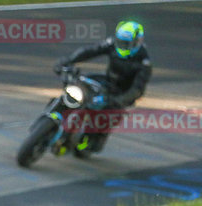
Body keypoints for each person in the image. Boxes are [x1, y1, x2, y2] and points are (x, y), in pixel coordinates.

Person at [54, 20, 152, 154]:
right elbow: (91, 51)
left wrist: (121, 99)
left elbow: (138, 89)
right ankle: (54, 114)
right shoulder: (112, 44)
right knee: (76, 87)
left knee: (107, 115)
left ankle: (95, 138)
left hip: (121, 93)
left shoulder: (144, 62)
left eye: (126, 43)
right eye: (120, 41)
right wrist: (69, 61)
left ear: (137, 43)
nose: (121, 46)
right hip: (107, 81)